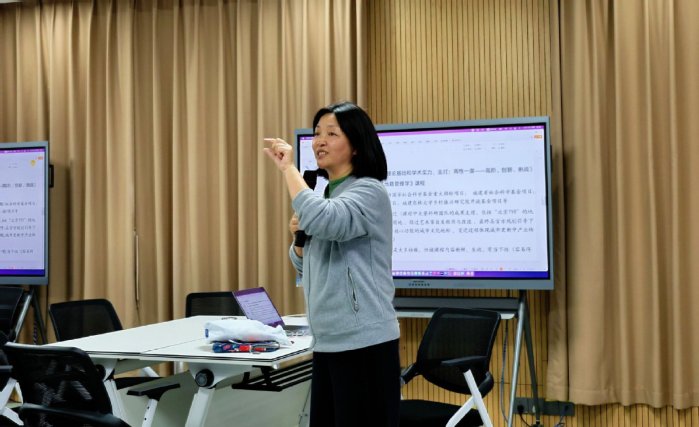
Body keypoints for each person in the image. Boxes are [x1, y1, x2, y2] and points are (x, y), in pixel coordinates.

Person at [263, 101, 400, 427]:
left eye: (331, 134)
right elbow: (304, 267)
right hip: (327, 341)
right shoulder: (326, 196)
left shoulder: (369, 191)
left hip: (365, 342)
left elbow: (328, 221)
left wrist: (288, 169)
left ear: (356, 145)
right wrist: (299, 241)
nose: (319, 141)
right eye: (316, 133)